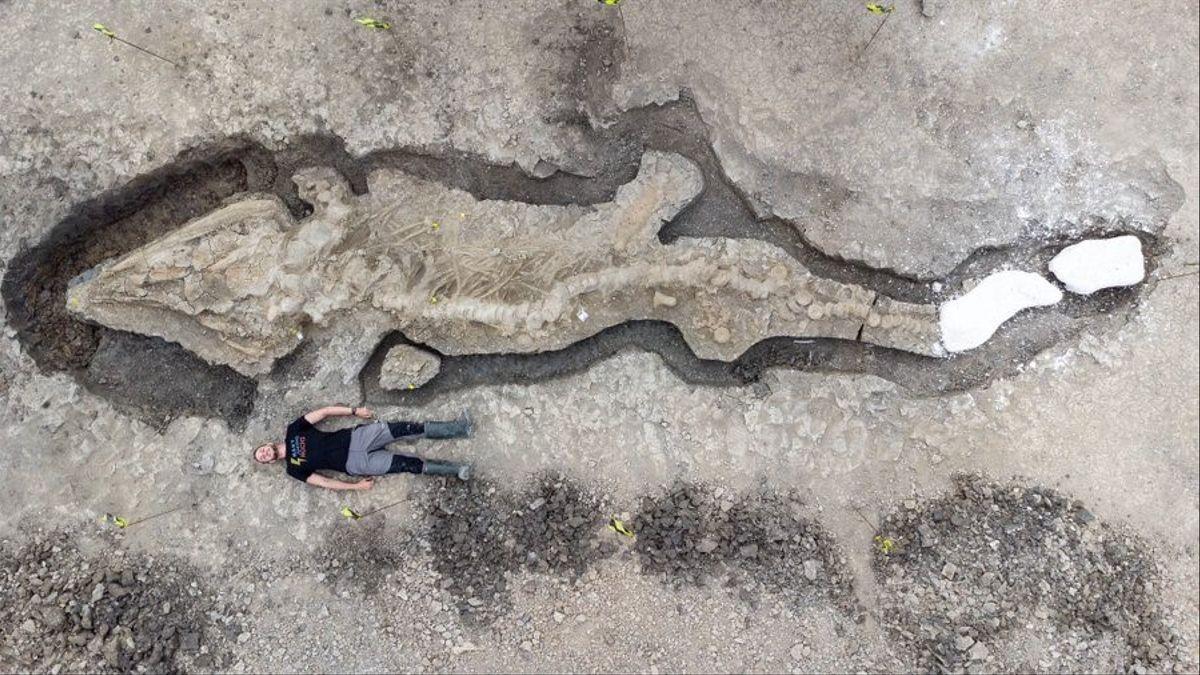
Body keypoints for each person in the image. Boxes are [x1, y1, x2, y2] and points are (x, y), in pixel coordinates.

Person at [252, 405, 472, 490]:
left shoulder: (294, 430)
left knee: (407, 428)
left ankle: (460, 428)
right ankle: (458, 470)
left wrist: (354, 411)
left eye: (260, 450)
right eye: (262, 458)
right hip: (355, 463)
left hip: (357, 438)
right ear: (270, 461)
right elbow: (324, 482)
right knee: (407, 464)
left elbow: (324, 412)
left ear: (267, 444)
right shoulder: (293, 469)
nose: (263, 453)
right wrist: (355, 487)